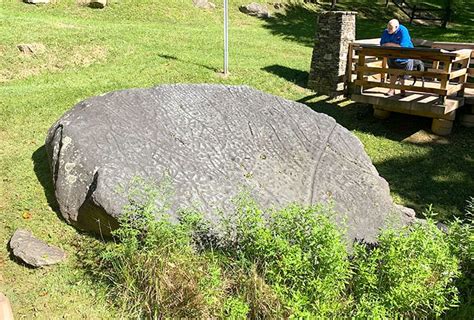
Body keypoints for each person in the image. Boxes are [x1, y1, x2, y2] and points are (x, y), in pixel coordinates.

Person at [380, 19, 414, 96]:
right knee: (392, 72)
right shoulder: (386, 32)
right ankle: (392, 89)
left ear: (396, 27)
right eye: (388, 27)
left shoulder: (403, 31)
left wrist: (389, 44)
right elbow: (382, 44)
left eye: (390, 28)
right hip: (392, 55)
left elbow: (403, 46)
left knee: (403, 74)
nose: (388, 30)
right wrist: (392, 45)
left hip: (405, 56)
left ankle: (402, 89)